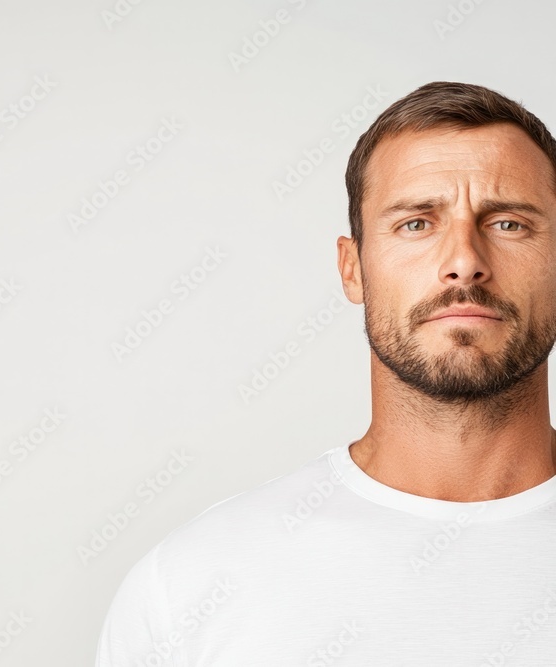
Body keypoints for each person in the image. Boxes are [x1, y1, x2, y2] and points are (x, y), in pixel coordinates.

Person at [94, 81, 556, 666]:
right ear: (352, 268)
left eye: (508, 223)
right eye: (416, 223)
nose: (464, 262)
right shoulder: (189, 585)